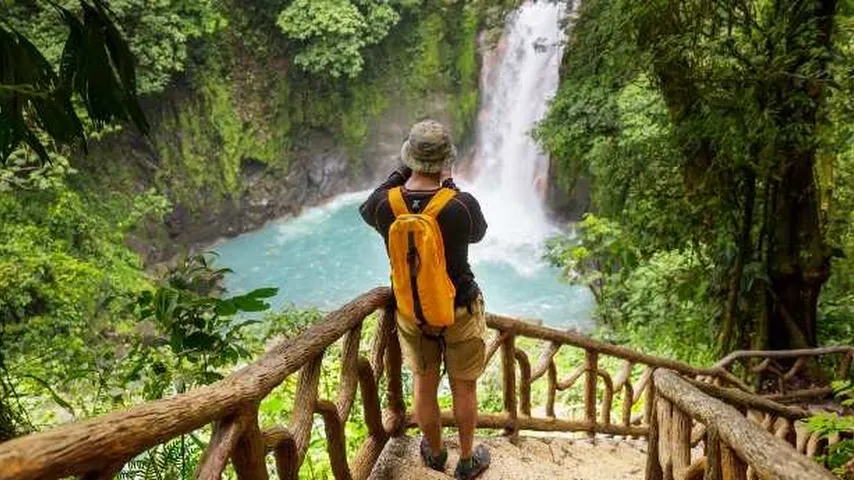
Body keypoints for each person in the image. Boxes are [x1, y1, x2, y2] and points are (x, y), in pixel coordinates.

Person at [359, 120, 490, 479]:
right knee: (464, 387)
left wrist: (401, 174)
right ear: (446, 160)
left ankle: (433, 454)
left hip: (412, 313)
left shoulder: (387, 205)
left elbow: (366, 207)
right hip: (459, 309)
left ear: (409, 159)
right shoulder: (459, 205)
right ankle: (466, 459)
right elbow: (478, 233)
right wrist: (448, 185)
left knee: (424, 384)